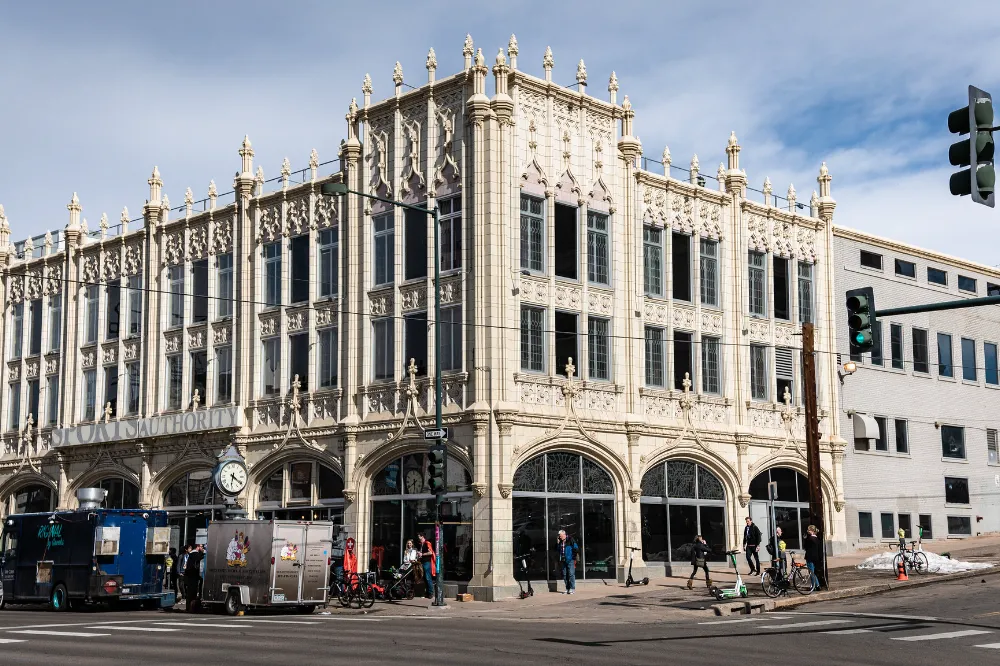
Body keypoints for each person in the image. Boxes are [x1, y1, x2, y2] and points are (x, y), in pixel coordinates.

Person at [555, 530, 578, 594]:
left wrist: (573, 557)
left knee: (571, 574)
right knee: (565, 574)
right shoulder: (560, 541)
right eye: (559, 536)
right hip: (563, 560)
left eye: (560, 535)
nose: (559, 537)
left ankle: (572, 588)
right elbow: (558, 550)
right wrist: (558, 543)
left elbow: (576, 548)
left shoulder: (570, 539)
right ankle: (567, 588)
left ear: (564, 534)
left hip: (570, 559)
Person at [183, 543, 205, 610]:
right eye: (201, 546)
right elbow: (198, 561)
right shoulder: (195, 554)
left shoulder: (191, 554)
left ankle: (189, 607)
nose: (202, 548)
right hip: (193, 576)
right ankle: (191, 607)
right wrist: (203, 553)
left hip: (191, 575)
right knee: (192, 592)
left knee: (190, 592)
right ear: (198, 547)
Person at [417, 532, 436, 599]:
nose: (418, 537)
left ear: (422, 537)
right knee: (425, 578)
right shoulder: (420, 544)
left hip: (427, 562)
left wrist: (422, 554)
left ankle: (431, 593)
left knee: (428, 577)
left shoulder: (427, 543)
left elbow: (430, 552)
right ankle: (427, 593)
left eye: (419, 536)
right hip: (422, 562)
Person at [803, 525, 822, 589]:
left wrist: (805, 539)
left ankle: (816, 585)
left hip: (810, 558)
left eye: (809, 530)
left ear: (812, 531)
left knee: (811, 572)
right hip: (816, 558)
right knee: (813, 572)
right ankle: (816, 585)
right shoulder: (817, 539)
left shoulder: (810, 539)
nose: (808, 531)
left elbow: (805, 547)